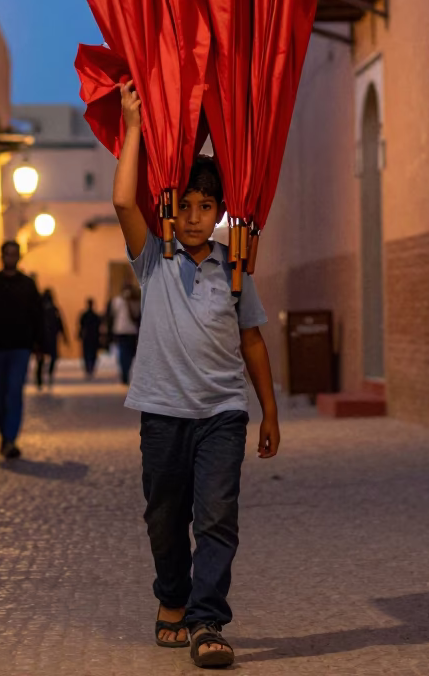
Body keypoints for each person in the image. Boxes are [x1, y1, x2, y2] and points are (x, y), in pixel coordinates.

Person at [113, 81, 279, 670]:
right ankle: (172, 598)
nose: (192, 216)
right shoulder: (153, 259)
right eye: (183, 205)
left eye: (205, 207)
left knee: (216, 517)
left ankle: (208, 621)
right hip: (162, 413)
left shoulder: (235, 269)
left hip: (221, 416)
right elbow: (122, 203)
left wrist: (269, 413)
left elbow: (253, 341)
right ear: (170, 207)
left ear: (218, 214)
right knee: (164, 517)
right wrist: (134, 127)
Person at [0, 240, 43, 459]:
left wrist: (39, 344)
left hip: (20, 348)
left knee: (14, 392)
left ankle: (11, 438)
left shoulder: (28, 285)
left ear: (18, 257)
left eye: (14, 254)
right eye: (7, 254)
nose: (10, 258)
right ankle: (4, 434)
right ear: (1, 256)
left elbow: (37, 317)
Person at [108, 283, 140, 385]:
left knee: (123, 353)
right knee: (129, 354)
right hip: (131, 332)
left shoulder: (117, 301)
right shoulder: (136, 301)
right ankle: (125, 372)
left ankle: (124, 373)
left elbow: (112, 315)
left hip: (120, 330)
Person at [35, 289, 68, 388]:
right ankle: (45, 375)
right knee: (49, 357)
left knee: (43, 359)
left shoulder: (48, 310)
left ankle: (40, 377)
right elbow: (61, 324)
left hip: (45, 338)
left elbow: (60, 324)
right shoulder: (51, 310)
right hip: (47, 338)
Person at [78, 298, 102, 378]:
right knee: (93, 353)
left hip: (87, 336)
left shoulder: (84, 315)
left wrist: (80, 335)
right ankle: (90, 368)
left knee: (86, 353)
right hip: (94, 337)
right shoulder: (96, 316)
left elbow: (81, 326)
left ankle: (88, 368)